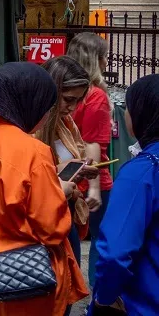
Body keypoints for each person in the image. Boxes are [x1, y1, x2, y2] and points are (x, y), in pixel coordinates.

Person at [0, 62, 88, 316]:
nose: (47, 115)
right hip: (24, 276)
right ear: (30, 101)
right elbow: (51, 227)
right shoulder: (33, 151)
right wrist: (61, 191)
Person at [89, 74, 159, 316]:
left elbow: (115, 253)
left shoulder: (143, 171)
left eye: (128, 107)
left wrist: (104, 297)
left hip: (144, 302)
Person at [35, 56, 101, 265]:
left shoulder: (66, 124)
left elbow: (77, 153)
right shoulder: (30, 128)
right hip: (41, 222)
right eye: (68, 99)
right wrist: (56, 170)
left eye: (78, 101)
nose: (72, 107)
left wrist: (80, 168)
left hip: (67, 213)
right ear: (50, 92)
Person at [68, 32, 113, 286]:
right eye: (104, 56)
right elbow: (93, 141)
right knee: (102, 241)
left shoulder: (69, 93)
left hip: (69, 174)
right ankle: (99, 298)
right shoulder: (95, 95)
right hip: (93, 178)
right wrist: (95, 186)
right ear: (95, 59)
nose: (107, 61)